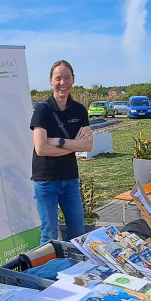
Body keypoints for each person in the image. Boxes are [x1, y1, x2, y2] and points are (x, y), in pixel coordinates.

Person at [30, 60, 94, 244]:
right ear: (51, 81)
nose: (63, 83)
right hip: (46, 181)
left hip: (70, 179)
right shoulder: (42, 111)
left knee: (78, 232)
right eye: (58, 78)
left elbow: (88, 146)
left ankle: (75, 271)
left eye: (67, 78)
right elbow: (41, 149)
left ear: (73, 80)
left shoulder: (79, 110)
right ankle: (46, 272)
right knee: (49, 235)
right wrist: (75, 145)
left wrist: (59, 142)